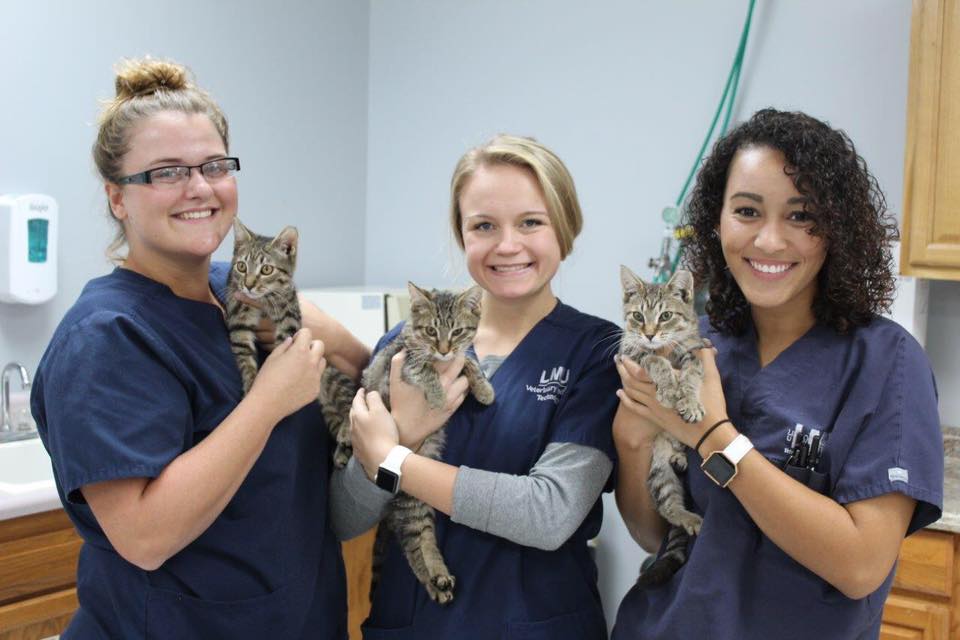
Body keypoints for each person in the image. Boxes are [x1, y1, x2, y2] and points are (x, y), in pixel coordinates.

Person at [30, 58, 368, 639]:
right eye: (166, 172)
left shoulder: (240, 292)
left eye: (215, 165)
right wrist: (265, 402)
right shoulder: (107, 337)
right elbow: (144, 538)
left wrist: (340, 342)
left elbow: (357, 374)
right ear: (118, 198)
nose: (200, 188)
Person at [610, 108, 943, 639]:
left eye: (800, 215)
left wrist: (715, 437)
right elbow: (655, 535)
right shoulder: (694, 344)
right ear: (716, 221)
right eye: (746, 210)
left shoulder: (886, 363)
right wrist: (630, 444)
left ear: (836, 228)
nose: (768, 241)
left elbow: (860, 567)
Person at [332, 134, 620, 639]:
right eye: (484, 225)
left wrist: (395, 456)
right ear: (463, 235)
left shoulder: (595, 354)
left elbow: (549, 513)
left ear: (565, 226)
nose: (507, 245)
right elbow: (344, 518)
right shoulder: (404, 344)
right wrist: (401, 434)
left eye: (531, 222)